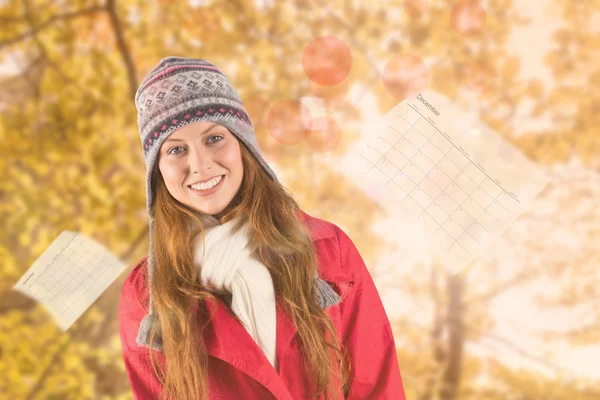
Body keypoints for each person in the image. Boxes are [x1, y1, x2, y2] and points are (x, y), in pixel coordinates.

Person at [118, 56, 406, 400]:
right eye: (176, 149)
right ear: (157, 172)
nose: (200, 165)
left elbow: (376, 385)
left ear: (243, 144)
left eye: (214, 139)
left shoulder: (327, 248)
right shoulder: (148, 295)